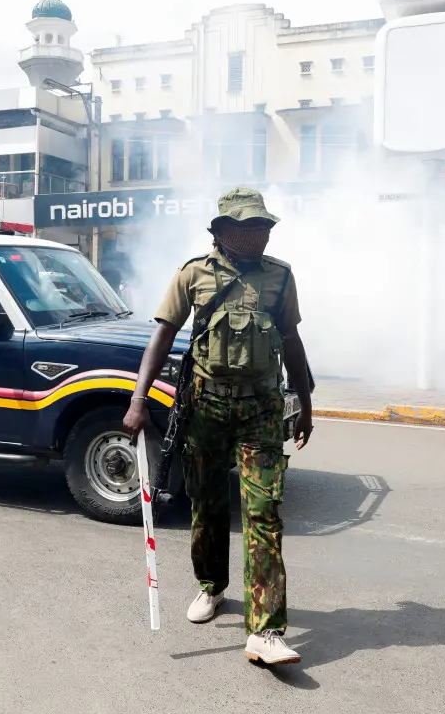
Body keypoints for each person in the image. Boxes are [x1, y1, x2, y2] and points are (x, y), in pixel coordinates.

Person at [123, 187, 314, 667]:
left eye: (264, 227)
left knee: (264, 514)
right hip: (206, 408)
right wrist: (138, 399)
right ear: (224, 231)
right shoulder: (194, 274)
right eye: (249, 227)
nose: (259, 235)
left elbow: (291, 340)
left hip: (261, 411)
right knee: (206, 507)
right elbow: (162, 335)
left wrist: (306, 401)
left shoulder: (280, 278)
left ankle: (265, 631)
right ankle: (211, 587)